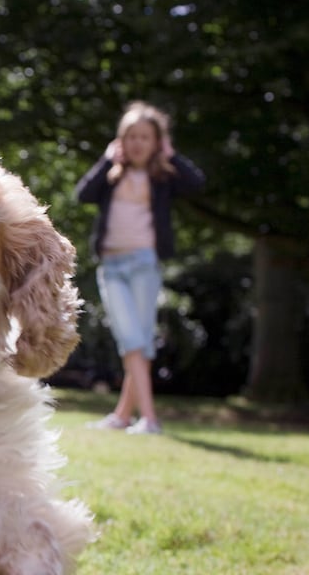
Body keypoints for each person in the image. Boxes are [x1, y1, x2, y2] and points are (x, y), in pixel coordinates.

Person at [75, 101, 205, 434]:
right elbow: (82, 194)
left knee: (140, 341)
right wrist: (106, 160)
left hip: (144, 264)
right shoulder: (111, 175)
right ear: (122, 140)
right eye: (131, 136)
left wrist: (172, 155)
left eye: (145, 137)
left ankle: (134, 417)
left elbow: (196, 183)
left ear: (156, 142)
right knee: (132, 339)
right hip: (112, 266)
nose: (137, 143)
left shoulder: (162, 177)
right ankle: (144, 418)